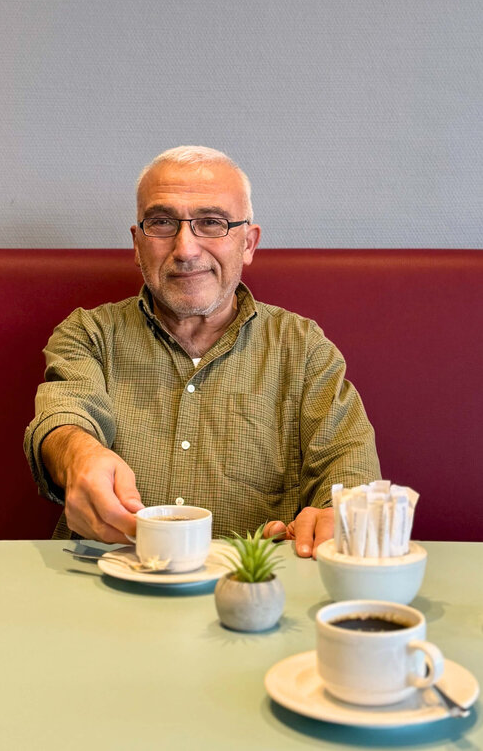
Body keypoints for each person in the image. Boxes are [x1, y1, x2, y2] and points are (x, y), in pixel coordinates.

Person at [24, 146, 380, 558]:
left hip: (252, 590)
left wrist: (338, 513)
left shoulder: (302, 348)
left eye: (211, 223)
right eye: (162, 223)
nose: (186, 249)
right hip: (101, 582)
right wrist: (78, 456)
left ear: (248, 243)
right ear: (138, 244)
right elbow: (64, 416)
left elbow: (348, 463)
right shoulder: (89, 333)